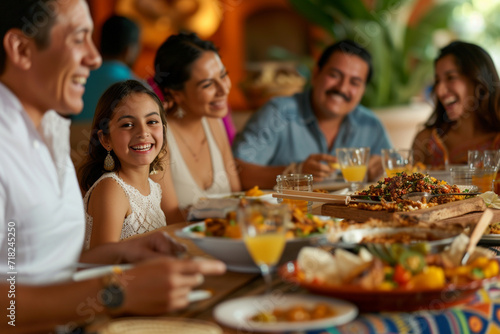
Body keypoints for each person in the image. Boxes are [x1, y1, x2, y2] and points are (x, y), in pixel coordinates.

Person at [0, 1, 225, 332]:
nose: (94, 58)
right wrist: (115, 292)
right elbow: (11, 308)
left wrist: (126, 251)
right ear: (21, 49)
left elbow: (41, 270)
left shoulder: (50, 128)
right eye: (79, 38)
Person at [232, 40, 392, 189]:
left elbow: (395, 170)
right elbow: (235, 170)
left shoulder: (370, 125)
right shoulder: (278, 113)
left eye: (354, 83)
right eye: (334, 75)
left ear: (362, 91)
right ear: (316, 74)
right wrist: (295, 173)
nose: (342, 88)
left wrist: (381, 170)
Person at [150, 32, 241, 223]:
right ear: (176, 93)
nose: (224, 89)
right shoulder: (157, 136)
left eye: (223, 75)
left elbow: (237, 196)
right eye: (207, 84)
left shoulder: (215, 124)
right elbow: (171, 218)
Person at [78, 80, 168, 249]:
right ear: (106, 139)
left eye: (152, 121)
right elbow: (103, 266)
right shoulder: (112, 189)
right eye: (127, 124)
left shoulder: (154, 188)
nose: (143, 132)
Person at [412, 41, 500, 168]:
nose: (440, 91)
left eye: (451, 77)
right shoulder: (426, 142)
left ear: (478, 80)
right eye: (437, 81)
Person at [70, 15, 142, 167]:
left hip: (74, 168)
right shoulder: (140, 91)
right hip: (119, 171)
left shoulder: (76, 81)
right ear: (130, 50)